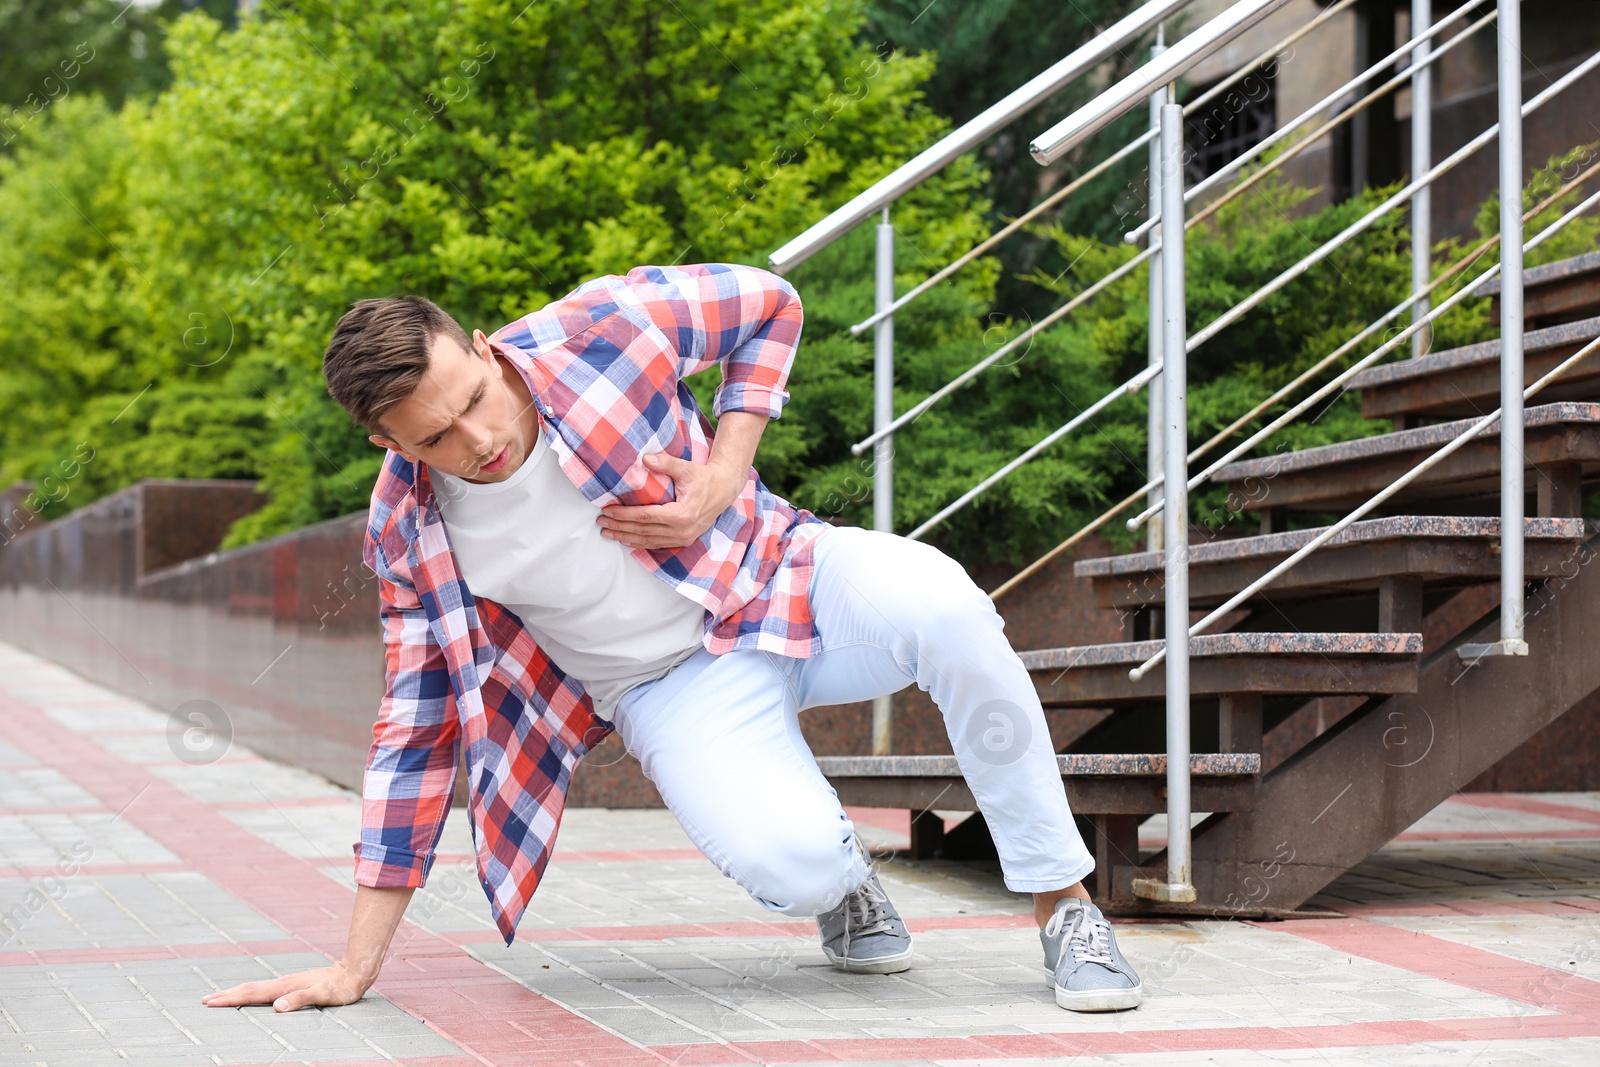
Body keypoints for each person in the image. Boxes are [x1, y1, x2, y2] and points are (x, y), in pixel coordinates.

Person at [201, 262, 1141, 1016]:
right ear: (387, 444)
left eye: (476, 397)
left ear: (483, 346)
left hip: (782, 576)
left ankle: (1065, 902)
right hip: (667, 685)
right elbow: (413, 733)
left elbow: (772, 303)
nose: (479, 438)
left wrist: (725, 471)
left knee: (948, 606)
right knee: (794, 863)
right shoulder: (410, 532)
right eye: (437, 437)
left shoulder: (599, 329)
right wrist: (355, 963)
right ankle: (843, 883)